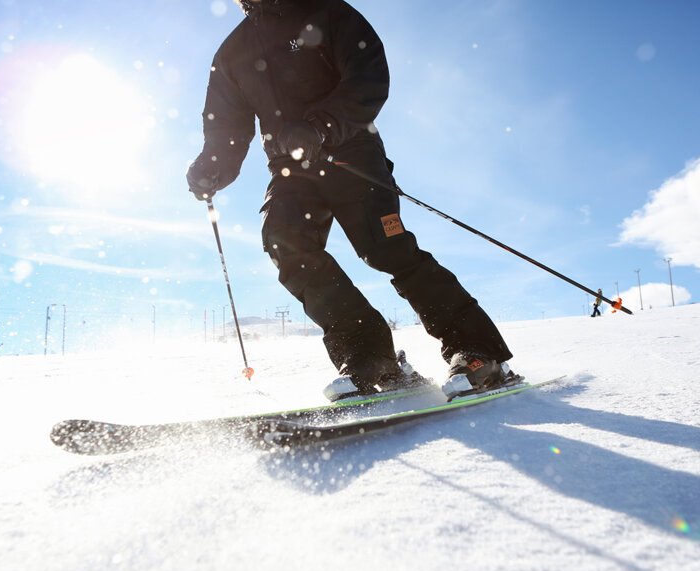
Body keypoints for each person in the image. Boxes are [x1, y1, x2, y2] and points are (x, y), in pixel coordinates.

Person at [187, 0, 516, 399]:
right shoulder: (233, 52)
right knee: (284, 242)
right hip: (291, 171)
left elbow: (368, 75)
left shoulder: (325, 11)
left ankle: (478, 351)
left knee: (386, 249)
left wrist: (320, 126)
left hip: (349, 151)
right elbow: (226, 127)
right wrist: (212, 166)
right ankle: (369, 355)